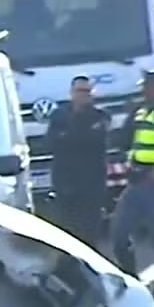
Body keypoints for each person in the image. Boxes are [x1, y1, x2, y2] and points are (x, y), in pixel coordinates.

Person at [109, 71, 154, 286]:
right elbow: (123, 141)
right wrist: (128, 117)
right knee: (119, 236)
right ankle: (131, 278)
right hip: (135, 182)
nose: (143, 90)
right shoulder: (140, 112)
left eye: (148, 86)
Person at [45, 75, 110, 249]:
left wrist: (68, 136)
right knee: (66, 230)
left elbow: (95, 140)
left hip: (92, 183)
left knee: (90, 230)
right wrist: (74, 135)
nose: (84, 95)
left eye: (87, 91)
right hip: (66, 181)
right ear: (71, 93)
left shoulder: (100, 116)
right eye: (80, 91)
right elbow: (52, 142)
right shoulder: (59, 115)